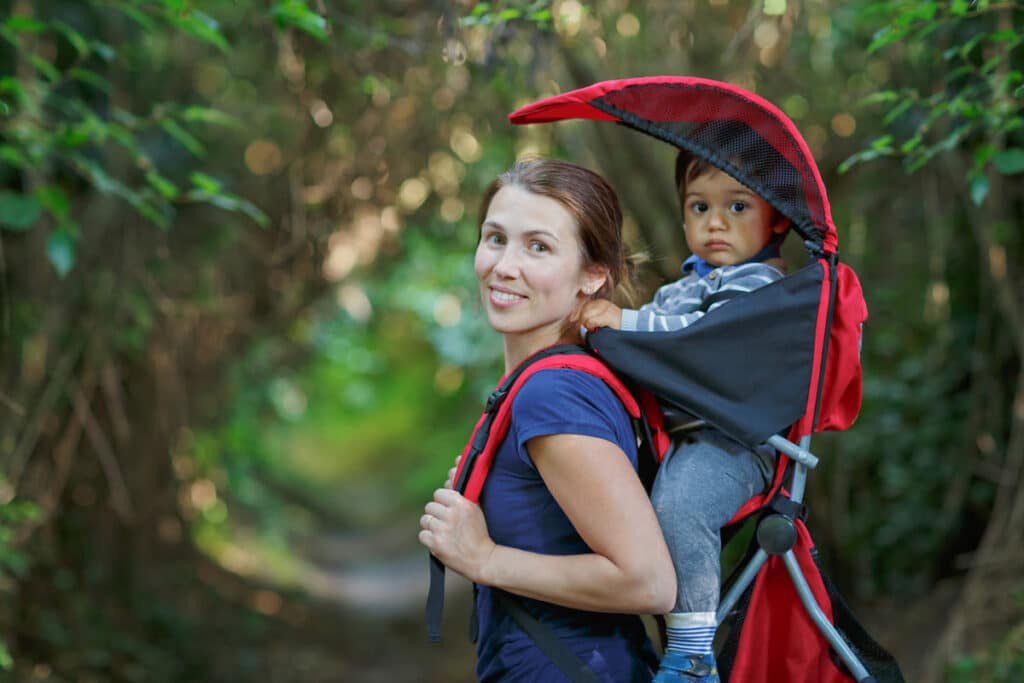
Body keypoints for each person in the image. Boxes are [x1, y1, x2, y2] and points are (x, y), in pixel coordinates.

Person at [418, 158, 676, 682]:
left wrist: (485, 558)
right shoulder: (553, 379)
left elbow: (647, 581)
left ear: (592, 275)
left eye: (538, 247)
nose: (504, 266)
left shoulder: (553, 393)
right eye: (495, 238)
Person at [580, 149, 792, 683]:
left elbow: (698, 341)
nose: (715, 222)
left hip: (740, 445)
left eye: (737, 207)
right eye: (699, 207)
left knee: (678, 510)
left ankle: (694, 658)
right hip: (686, 440)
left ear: (778, 218)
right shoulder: (684, 288)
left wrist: (623, 321)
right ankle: (659, 644)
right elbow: (654, 327)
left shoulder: (760, 287)